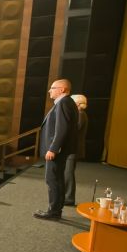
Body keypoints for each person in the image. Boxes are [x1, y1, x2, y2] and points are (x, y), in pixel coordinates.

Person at [35, 79, 78, 220]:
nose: (49, 90)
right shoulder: (65, 103)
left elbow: (62, 129)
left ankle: (53, 211)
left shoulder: (64, 103)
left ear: (62, 89)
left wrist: (53, 148)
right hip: (60, 149)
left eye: (53, 88)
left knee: (53, 179)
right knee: (57, 179)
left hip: (56, 150)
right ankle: (56, 210)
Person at [65, 94, 89, 207]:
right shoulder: (80, 114)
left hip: (73, 148)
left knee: (69, 173)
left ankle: (69, 198)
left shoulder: (80, 114)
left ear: (77, 104)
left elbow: (75, 129)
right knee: (67, 172)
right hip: (73, 148)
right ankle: (66, 196)